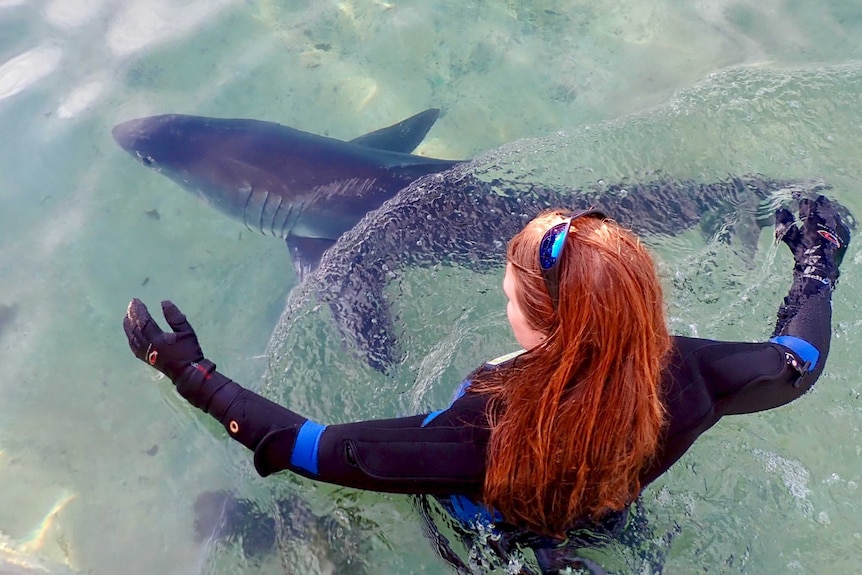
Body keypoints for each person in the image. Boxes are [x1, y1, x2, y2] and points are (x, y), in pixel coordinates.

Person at [123, 195, 850, 574]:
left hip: (486, 544)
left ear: (543, 322)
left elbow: (308, 447)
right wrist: (819, 262)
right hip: (614, 521)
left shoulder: (484, 433)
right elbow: (797, 363)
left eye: (510, 293)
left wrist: (193, 376)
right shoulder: (686, 373)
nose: (504, 301)